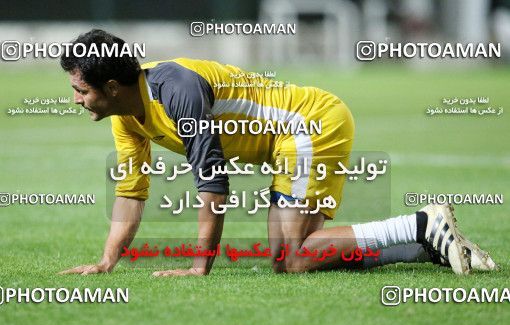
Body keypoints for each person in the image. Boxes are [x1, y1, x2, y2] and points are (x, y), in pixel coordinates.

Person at [59, 29, 496, 277]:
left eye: (80, 90)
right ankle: (428, 244)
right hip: (287, 141)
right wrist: (106, 262)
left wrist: (198, 267)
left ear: (112, 88)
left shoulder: (176, 90)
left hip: (309, 124)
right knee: (288, 260)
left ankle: (420, 223)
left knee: (298, 254)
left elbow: (213, 184)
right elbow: (131, 192)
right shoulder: (125, 116)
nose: (76, 99)